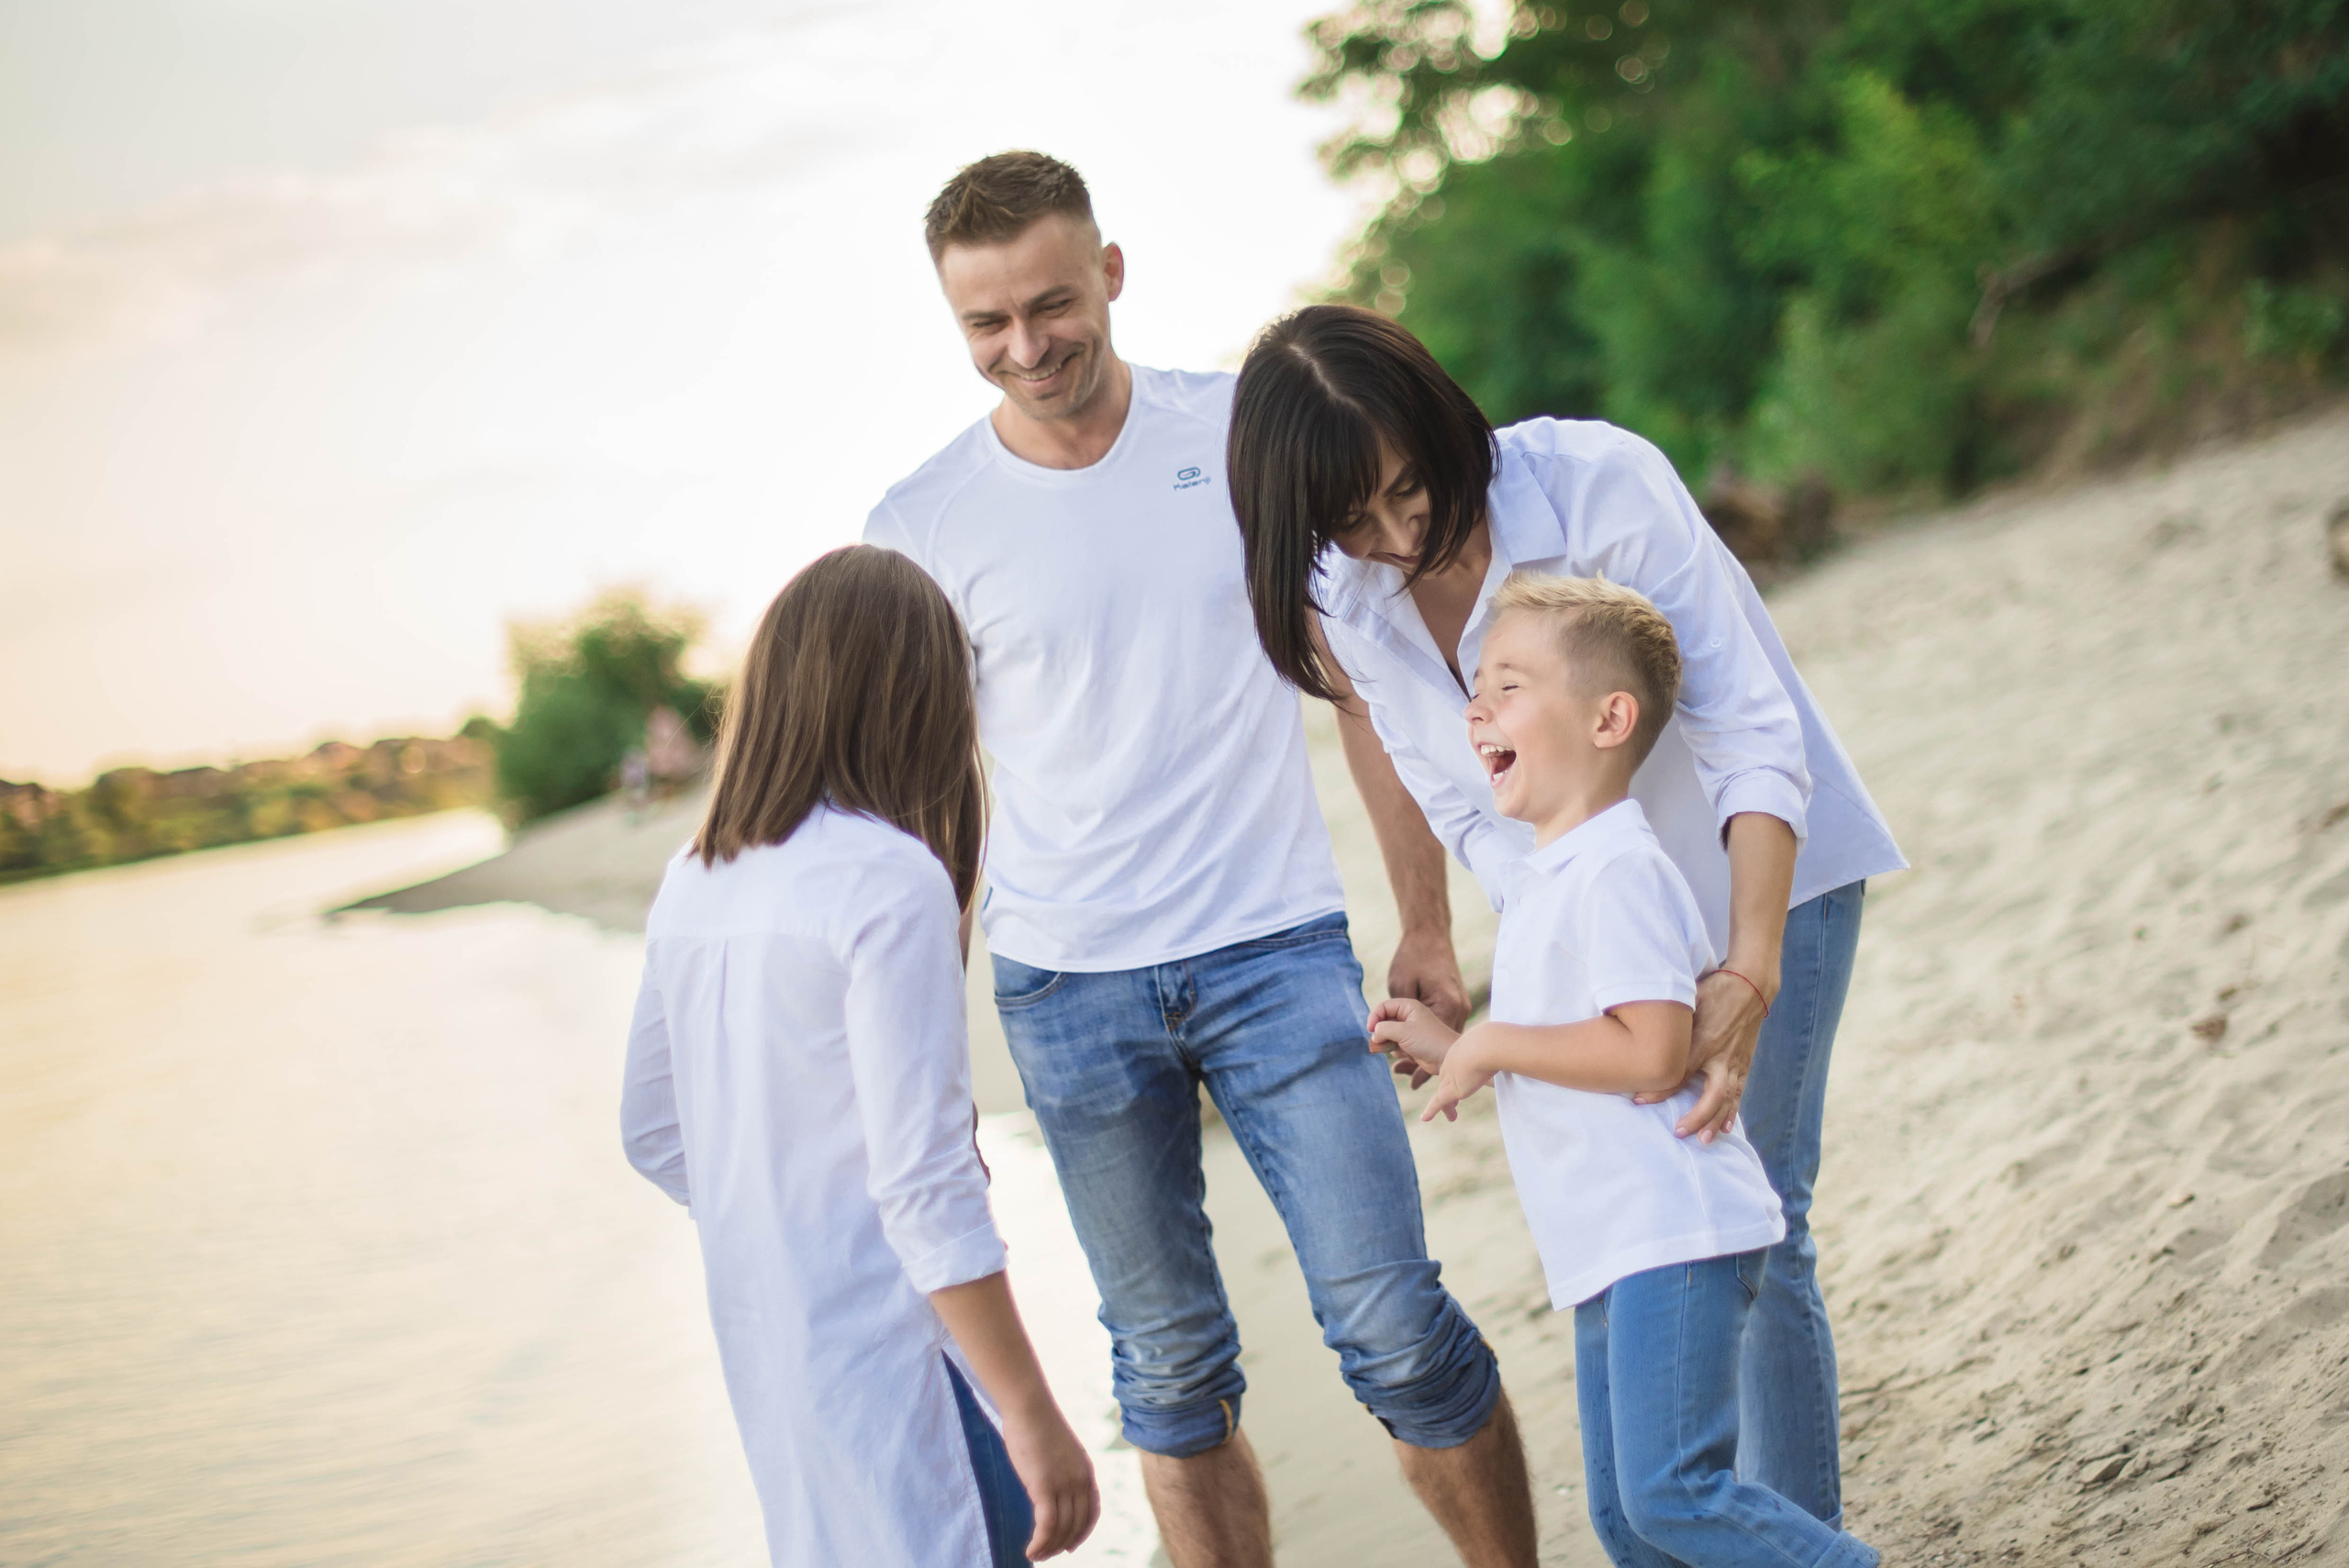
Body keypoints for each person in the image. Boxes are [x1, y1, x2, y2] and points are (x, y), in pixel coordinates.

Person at [863, 152, 1537, 1568]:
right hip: (1066, 995)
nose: (1026, 346)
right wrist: (927, 1073)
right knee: (1167, 1378)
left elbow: (1360, 689)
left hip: (1279, 955)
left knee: (1396, 1327)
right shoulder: (920, 525)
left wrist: (1423, 923)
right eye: (985, 325)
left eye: (1051, 303)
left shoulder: (1239, 435)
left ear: (1110, 272)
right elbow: (930, 807)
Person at [1227, 305, 1907, 1528]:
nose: (1394, 535)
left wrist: (1744, 969)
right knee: (1666, 1237)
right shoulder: (1347, 591)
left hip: (1767, 881)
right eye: (1351, 520)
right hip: (1616, 936)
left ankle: (1789, 1534)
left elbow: (1753, 730)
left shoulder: (1598, 485)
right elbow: (1478, 813)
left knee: (1761, 1216)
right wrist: (1579, 971)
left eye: (1405, 491)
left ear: (1437, 418)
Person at [1369, 573, 1879, 1568]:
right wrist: (1452, 1046)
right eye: (1476, 686)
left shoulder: (1619, 867)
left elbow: (1651, 1046)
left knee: (1673, 1490)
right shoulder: (1547, 878)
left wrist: (1492, 1043)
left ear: (1609, 717)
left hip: (1670, 1225)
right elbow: (1570, 1039)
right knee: (1626, 1517)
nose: (1476, 706)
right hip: (1607, 1238)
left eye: (1509, 685)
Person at [618, 545, 1099, 1567]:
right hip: (897, 1357)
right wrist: (1033, 1414)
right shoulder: (888, 877)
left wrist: (789, 1221)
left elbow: (653, 1131)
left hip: (776, 1350)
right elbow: (923, 1183)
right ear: (917, 697)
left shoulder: (696, 875)